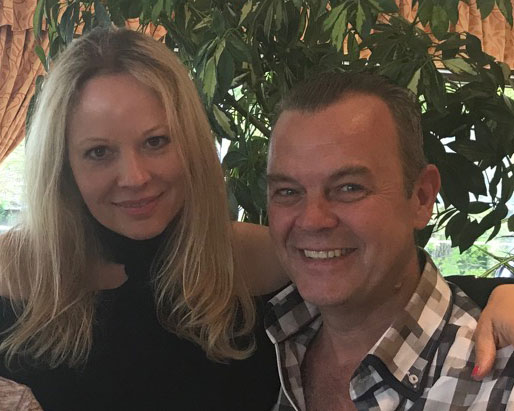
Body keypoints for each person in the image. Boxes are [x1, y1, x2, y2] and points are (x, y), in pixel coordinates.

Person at [0, 27, 512, 411]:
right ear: (62, 166)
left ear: (190, 145)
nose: (134, 177)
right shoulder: (18, 273)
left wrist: (501, 294)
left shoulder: (246, 260)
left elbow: (382, 273)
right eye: (97, 152)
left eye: (156, 142)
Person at [265, 72, 514, 410]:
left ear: (422, 197)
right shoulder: (256, 344)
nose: (312, 220)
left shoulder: (499, 385)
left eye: (350, 187)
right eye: (287, 191)